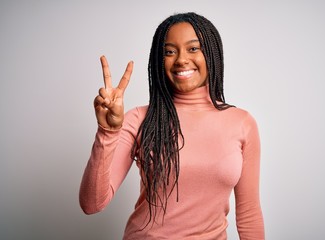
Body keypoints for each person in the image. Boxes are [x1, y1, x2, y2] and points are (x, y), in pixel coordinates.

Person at [79, 12, 264, 239]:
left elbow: (248, 213)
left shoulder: (242, 123)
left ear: (212, 54)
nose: (181, 59)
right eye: (169, 52)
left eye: (193, 48)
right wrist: (107, 132)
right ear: (159, 61)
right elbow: (92, 204)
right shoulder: (139, 119)